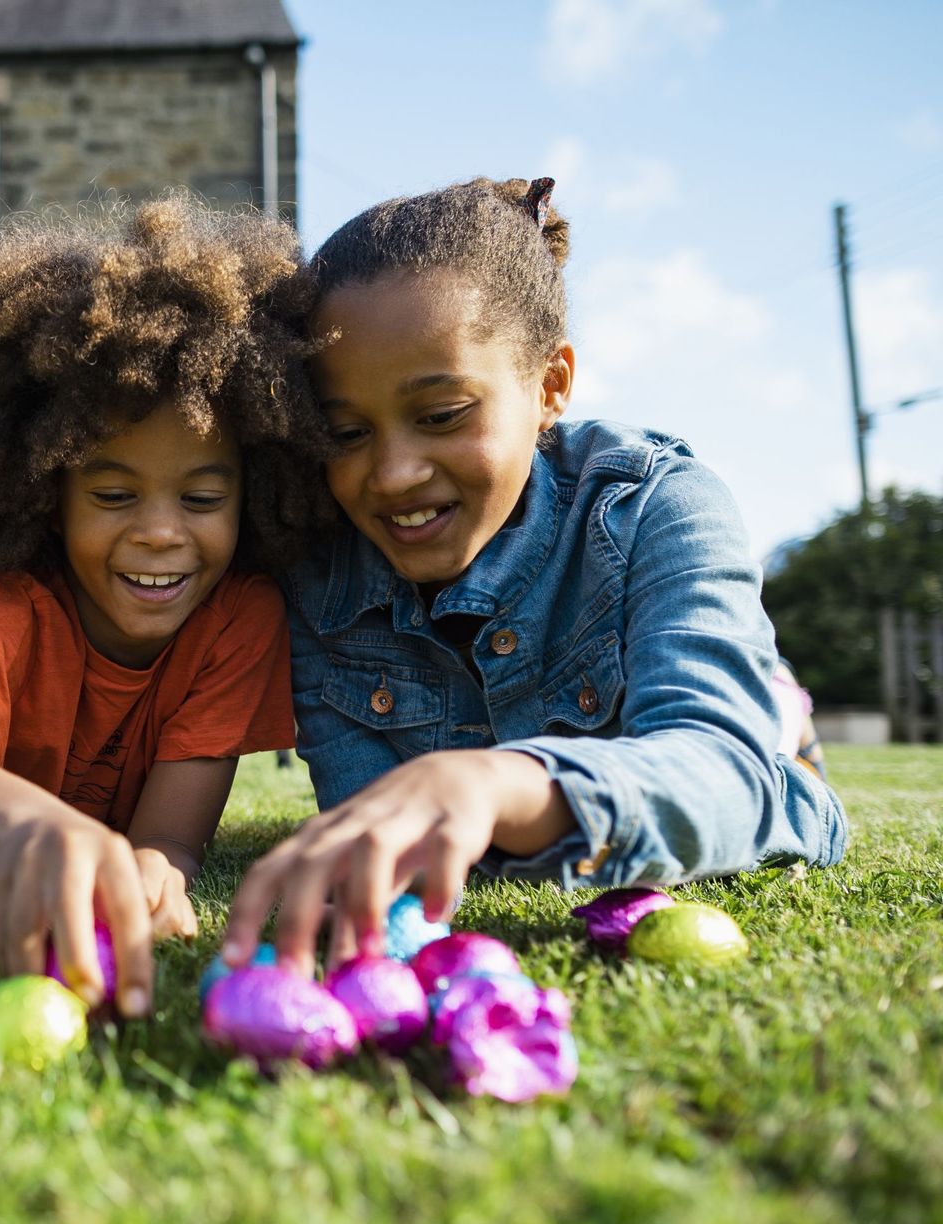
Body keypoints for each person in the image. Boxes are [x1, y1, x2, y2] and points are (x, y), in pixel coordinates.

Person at [220, 177, 848, 975]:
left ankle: (772, 700)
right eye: (346, 432)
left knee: (749, 730)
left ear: (550, 386)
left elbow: (740, 787)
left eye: (443, 415)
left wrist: (502, 784)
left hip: (701, 738)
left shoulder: (660, 507)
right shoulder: (318, 577)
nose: (394, 473)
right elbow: (378, 835)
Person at [0, 198, 333, 1018]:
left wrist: (158, 868)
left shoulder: (241, 617)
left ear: (256, 492)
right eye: (114, 493)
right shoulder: (3, 592)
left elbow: (170, 837)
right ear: (48, 495)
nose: (161, 534)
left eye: (202, 496)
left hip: (18, 732)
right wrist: (25, 825)